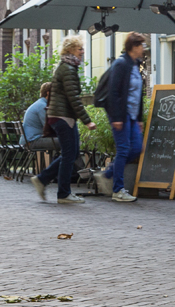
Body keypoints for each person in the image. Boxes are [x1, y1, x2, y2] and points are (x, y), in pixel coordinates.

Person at [31, 36, 95, 204]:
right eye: (79, 48)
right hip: (63, 117)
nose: (82, 51)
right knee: (69, 155)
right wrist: (87, 120)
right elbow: (73, 98)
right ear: (70, 50)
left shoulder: (67, 67)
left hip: (63, 116)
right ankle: (63, 194)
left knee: (72, 153)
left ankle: (42, 179)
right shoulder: (67, 69)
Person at [103, 32, 147, 203]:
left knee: (137, 148)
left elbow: (139, 94)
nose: (143, 48)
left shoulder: (135, 65)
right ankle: (118, 190)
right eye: (141, 45)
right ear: (134, 47)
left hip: (133, 116)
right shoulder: (121, 64)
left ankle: (109, 172)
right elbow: (113, 92)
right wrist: (116, 117)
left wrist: (140, 118)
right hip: (121, 114)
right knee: (123, 149)